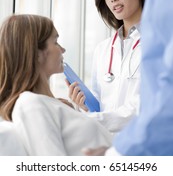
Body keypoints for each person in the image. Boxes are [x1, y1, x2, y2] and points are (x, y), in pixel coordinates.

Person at [84, 0, 173, 156]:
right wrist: (87, 108)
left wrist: (117, 153)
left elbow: (157, 96)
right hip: (129, 144)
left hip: (144, 146)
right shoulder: (104, 49)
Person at [0, 14, 112, 155]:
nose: (63, 49)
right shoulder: (31, 105)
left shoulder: (53, 106)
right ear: (37, 53)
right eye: (55, 42)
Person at [68, 0, 147, 134]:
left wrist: (87, 120)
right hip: (108, 145)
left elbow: (143, 107)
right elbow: (100, 103)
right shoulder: (102, 49)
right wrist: (84, 105)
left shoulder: (161, 42)